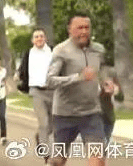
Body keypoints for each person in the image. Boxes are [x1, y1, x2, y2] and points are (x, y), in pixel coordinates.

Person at [46, 12, 109, 166]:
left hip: (91, 113)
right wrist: (78, 77)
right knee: (58, 160)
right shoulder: (61, 51)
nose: (84, 32)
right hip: (65, 115)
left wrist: (107, 84)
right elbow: (49, 81)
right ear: (70, 29)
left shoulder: (98, 50)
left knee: (98, 159)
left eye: (87, 27)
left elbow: (100, 73)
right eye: (79, 28)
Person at [17, 27, 54, 163]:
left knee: (54, 124)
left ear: (45, 38)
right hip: (36, 91)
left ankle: (40, 137)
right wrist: (22, 82)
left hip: (53, 90)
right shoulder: (28, 54)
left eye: (41, 36)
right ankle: (46, 155)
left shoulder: (52, 51)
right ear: (33, 40)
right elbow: (22, 70)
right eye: (36, 37)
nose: (39, 39)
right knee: (43, 123)